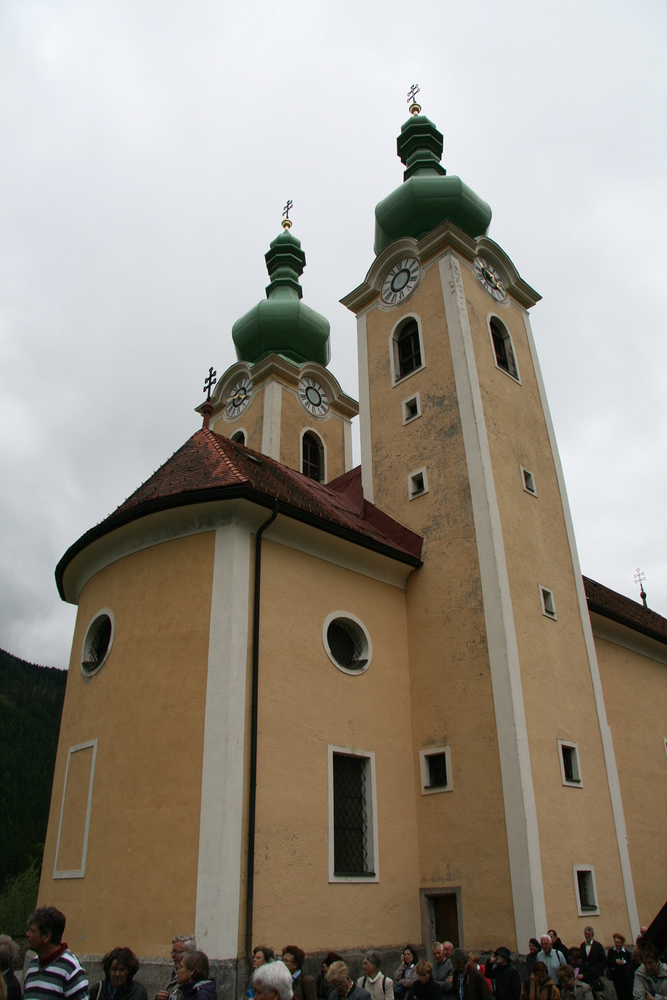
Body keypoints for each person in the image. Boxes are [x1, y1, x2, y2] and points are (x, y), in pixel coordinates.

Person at [23, 907, 88, 1000]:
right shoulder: (32, 966)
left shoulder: (71, 968)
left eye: (32, 931)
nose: (27, 934)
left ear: (46, 936)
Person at [577, 929, 605, 998]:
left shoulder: (598, 945)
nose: (587, 936)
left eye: (588, 934)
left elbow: (603, 960)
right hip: (586, 977)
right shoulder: (582, 945)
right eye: (586, 934)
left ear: (592, 935)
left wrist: (599, 971)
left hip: (596, 976)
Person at [606, 935, 632, 1000]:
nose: (617, 944)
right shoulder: (611, 951)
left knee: (626, 994)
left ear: (622, 943)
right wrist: (615, 962)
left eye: (619, 943)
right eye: (616, 942)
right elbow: (608, 962)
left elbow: (629, 966)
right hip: (615, 977)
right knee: (618, 994)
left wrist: (623, 964)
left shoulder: (627, 953)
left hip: (624, 978)